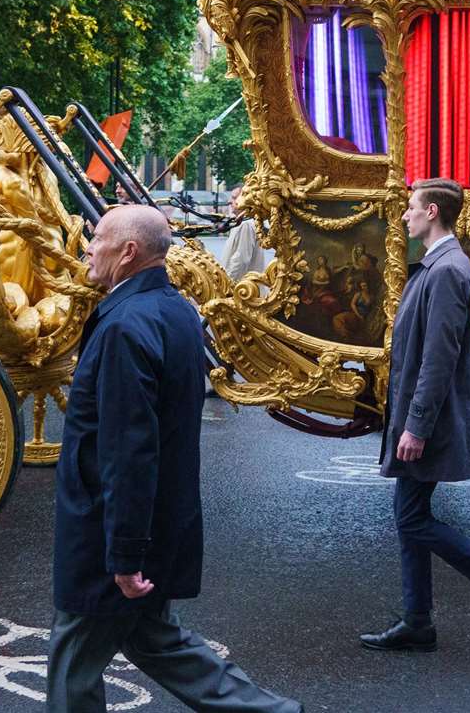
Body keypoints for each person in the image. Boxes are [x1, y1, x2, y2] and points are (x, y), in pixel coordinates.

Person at [46, 205, 300, 713]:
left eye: (97, 239)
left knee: (74, 660)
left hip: (110, 529)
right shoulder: (175, 309)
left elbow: (127, 451)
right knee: (155, 641)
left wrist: (124, 553)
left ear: (128, 253)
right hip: (158, 521)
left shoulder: (124, 325)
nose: (88, 249)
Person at [359, 178, 470, 653]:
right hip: (424, 416)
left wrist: (416, 424)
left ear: (432, 211)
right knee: (409, 514)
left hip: (429, 421)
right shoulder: (442, 267)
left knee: (411, 519)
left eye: (410, 208)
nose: (404, 216)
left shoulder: (446, 272)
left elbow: (439, 358)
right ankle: (418, 621)